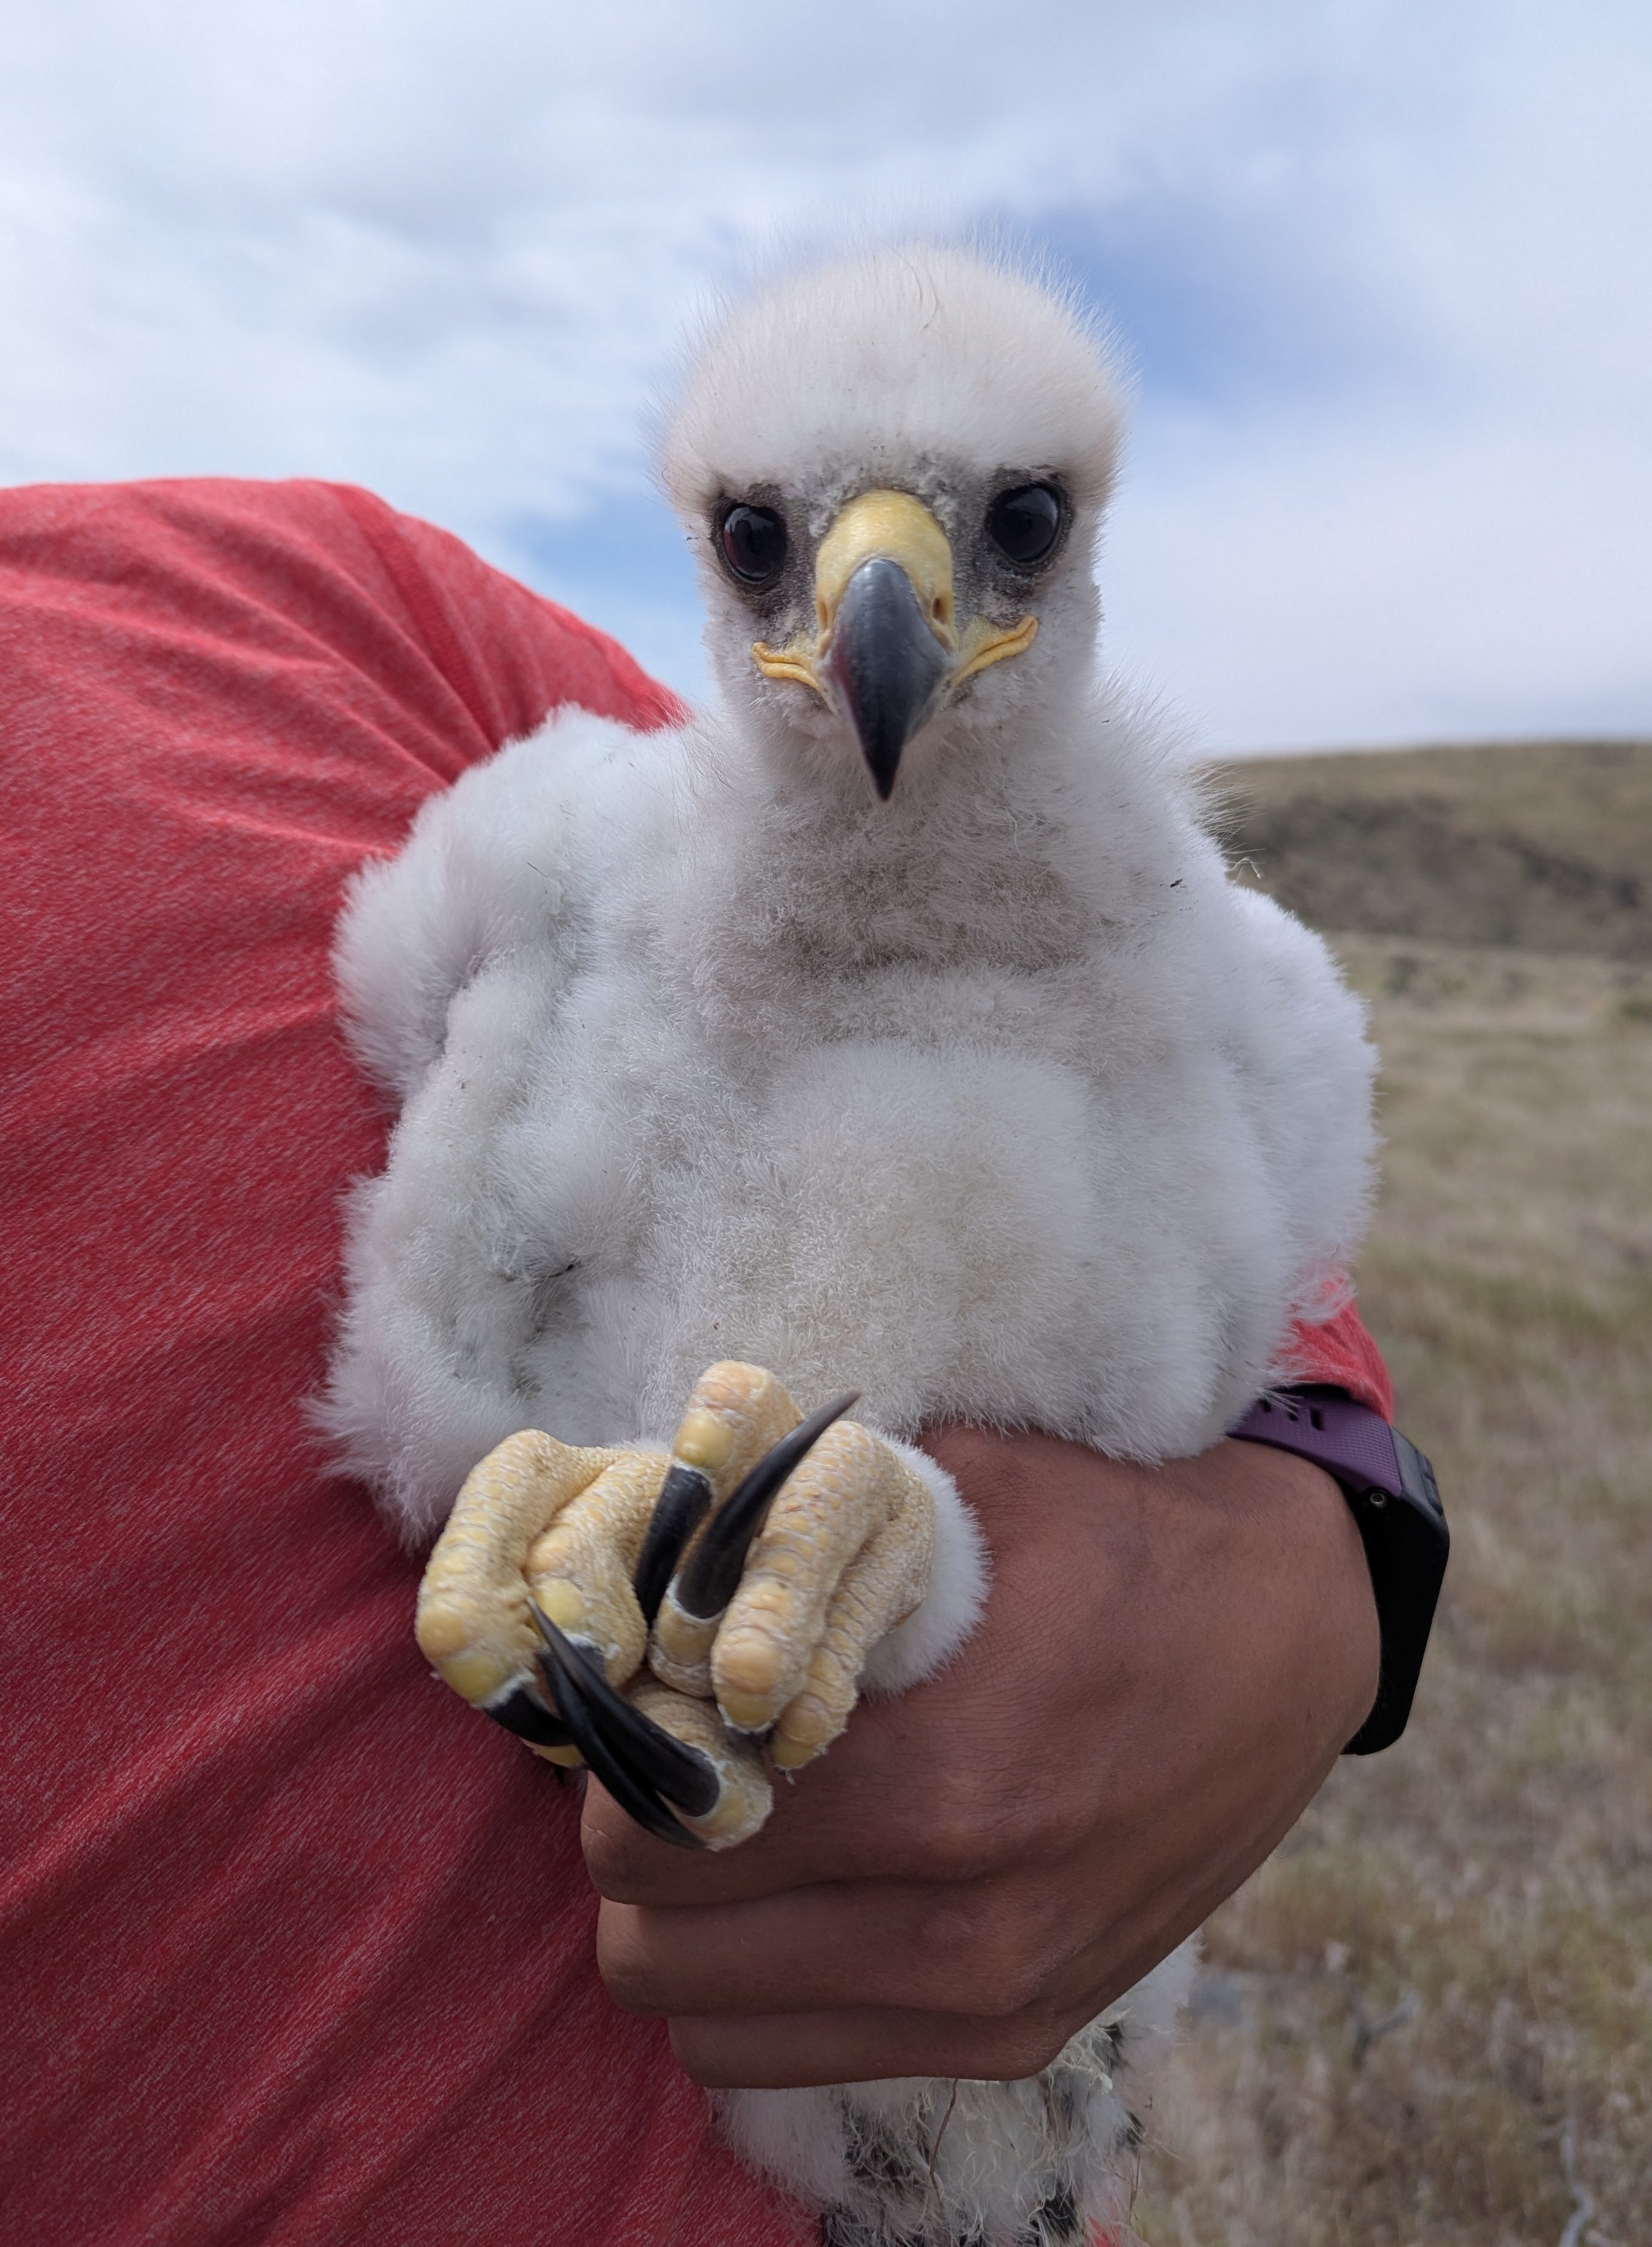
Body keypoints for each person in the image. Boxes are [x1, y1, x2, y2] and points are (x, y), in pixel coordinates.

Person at [1, 475, 1385, 2246]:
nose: (879, 598)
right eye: (759, 545)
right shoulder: (519, 842)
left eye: (1015, 522)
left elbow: (1167, 1056)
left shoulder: (289, 597)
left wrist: (1309, 1534)